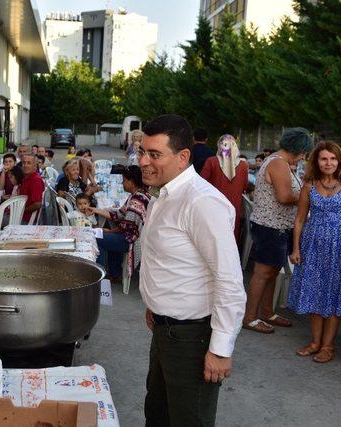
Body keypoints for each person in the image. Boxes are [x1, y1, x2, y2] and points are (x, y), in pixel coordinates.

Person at [138, 114, 246, 426]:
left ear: (183, 156)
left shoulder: (202, 202)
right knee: (158, 414)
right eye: (142, 152)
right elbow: (168, 260)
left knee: (189, 419)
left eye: (154, 154)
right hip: (165, 330)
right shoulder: (165, 193)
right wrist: (155, 304)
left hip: (192, 338)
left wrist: (221, 349)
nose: (143, 161)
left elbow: (228, 279)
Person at [288, 142, 341, 363]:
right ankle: (315, 343)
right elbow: (300, 218)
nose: (328, 163)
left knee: (336, 294)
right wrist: (296, 248)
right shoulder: (309, 185)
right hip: (313, 246)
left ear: (339, 161)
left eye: (332, 158)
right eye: (324, 159)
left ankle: (328, 346)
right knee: (315, 291)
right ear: (316, 161)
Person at [243, 128, 313, 334]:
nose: (303, 156)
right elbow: (284, 197)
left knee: (272, 271)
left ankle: (266, 312)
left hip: (278, 226)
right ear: (296, 148)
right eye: (302, 152)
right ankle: (250, 317)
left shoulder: (281, 163)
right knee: (263, 272)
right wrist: (306, 195)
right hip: (271, 227)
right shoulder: (278, 163)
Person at [86, 166, 151, 281]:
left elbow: (125, 228)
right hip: (131, 236)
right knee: (106, 237)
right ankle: (114, 273)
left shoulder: (137, 200)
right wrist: (95, 210)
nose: (122, 183)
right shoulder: (139, 194)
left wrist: (108, 231)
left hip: (132, 241)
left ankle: (101, 276)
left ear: (131, 181)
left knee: (96, 238)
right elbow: (119, 215)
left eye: (124, 180)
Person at [200, 134, 250, 242]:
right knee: (231, 235)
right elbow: (245, 185)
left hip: (213, 204)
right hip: (234, 205)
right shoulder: (243, 165)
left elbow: (201, 182)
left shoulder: (211, 161)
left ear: (219, 145)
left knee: (212, 235)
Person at [19, 154, 46, 223]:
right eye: (23, 163)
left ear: (35, 166)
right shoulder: (26, 177)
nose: (25, 165)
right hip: (19, 214)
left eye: (29, 163)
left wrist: (20, 211)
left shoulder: (35, 180)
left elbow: (37, 204)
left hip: (24, 219)